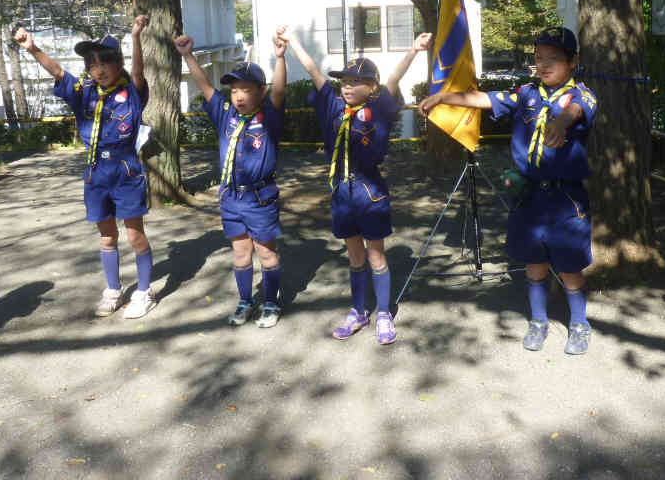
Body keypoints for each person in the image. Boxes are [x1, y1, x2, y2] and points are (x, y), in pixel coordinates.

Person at [420, 26, 597, 355]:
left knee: (570, 269)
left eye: (553, 58)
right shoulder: (526, 94)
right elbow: (485, 99)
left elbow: (575, 111)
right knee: (534, 263)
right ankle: (538, 321)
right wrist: (444, 97)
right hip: (529, 197)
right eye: (539, 58)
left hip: (565, 199)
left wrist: (560, 123)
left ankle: (579, 324)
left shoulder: (582, 94)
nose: (544, 64)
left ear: (573, 61)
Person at [281, 28, 432, 345]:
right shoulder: (333, 106)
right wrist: (293, 41)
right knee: (354, 257)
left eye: (355, 81)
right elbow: (313, 71)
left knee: (376, 256)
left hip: (370, 190)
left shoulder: (380, 109)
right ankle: (358, 311)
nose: (347, 86)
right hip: (341, 191)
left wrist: (414, 50)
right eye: (344, 81)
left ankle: (384, 314)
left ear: (372, 87)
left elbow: (394, 79)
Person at [14, 16, 157, 319]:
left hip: (125, 169)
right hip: (96, 171)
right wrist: (32, 48)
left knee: (134, 235)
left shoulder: (131, 92)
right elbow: (58, 72)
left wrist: (135, 37)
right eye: (92, 64)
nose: (99, 69)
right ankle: (114, 289)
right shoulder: (85, 92)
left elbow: (139, 73)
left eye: (105, 62)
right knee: (107, 237)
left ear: (118, 64)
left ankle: (145, 291)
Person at [175, 29, 287, 328]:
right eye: (235, 89)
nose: (238, 95)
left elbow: (279, 92)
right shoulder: (226, 115)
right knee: (240, 253)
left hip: (259, 198)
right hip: (231, 197)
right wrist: (188, 55)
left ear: (260, 91)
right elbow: (205, 86)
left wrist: (280, 58)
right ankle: (245, 300)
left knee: (266, 254)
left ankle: (271, 302)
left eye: (246, 89)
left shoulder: (269, 117)